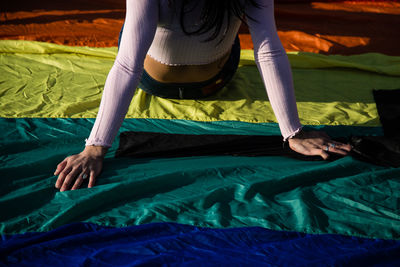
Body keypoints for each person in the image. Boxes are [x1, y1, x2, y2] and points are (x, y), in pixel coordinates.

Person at [54, 0, 352, 191]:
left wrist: (95, 147)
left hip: (155, 80)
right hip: (215, 79)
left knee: (135, 31)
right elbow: (268, 49)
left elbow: (127, 64)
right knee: (228, 24)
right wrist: (292, 132)